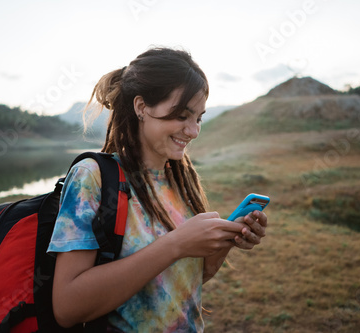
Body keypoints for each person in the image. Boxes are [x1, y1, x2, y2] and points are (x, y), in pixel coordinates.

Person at [47, 47, 268, 332]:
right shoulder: (92, 177)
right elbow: (67, 308)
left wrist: (226, 239)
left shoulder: (180, 178)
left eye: (198, 118)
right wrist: (176, 244)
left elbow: (186, 280)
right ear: (141, 107)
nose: (193, 131)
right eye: (181, 115)